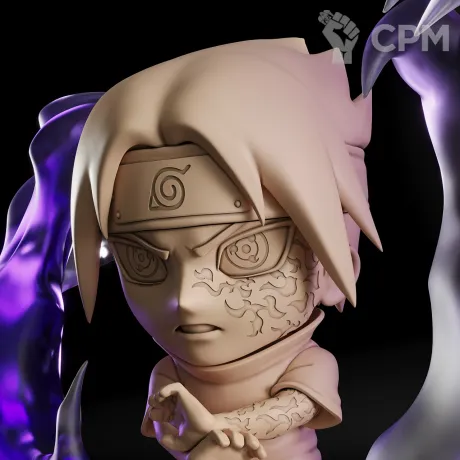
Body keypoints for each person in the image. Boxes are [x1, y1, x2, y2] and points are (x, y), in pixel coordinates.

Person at [71, 37, 381, 459]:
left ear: (333, 266)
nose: (187, 297)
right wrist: (193, 433)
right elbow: (169, 429)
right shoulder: (169, 373)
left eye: (246, 251)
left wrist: (221, 429)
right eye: (141, 259)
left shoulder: (310, 363)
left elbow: (295, 408)